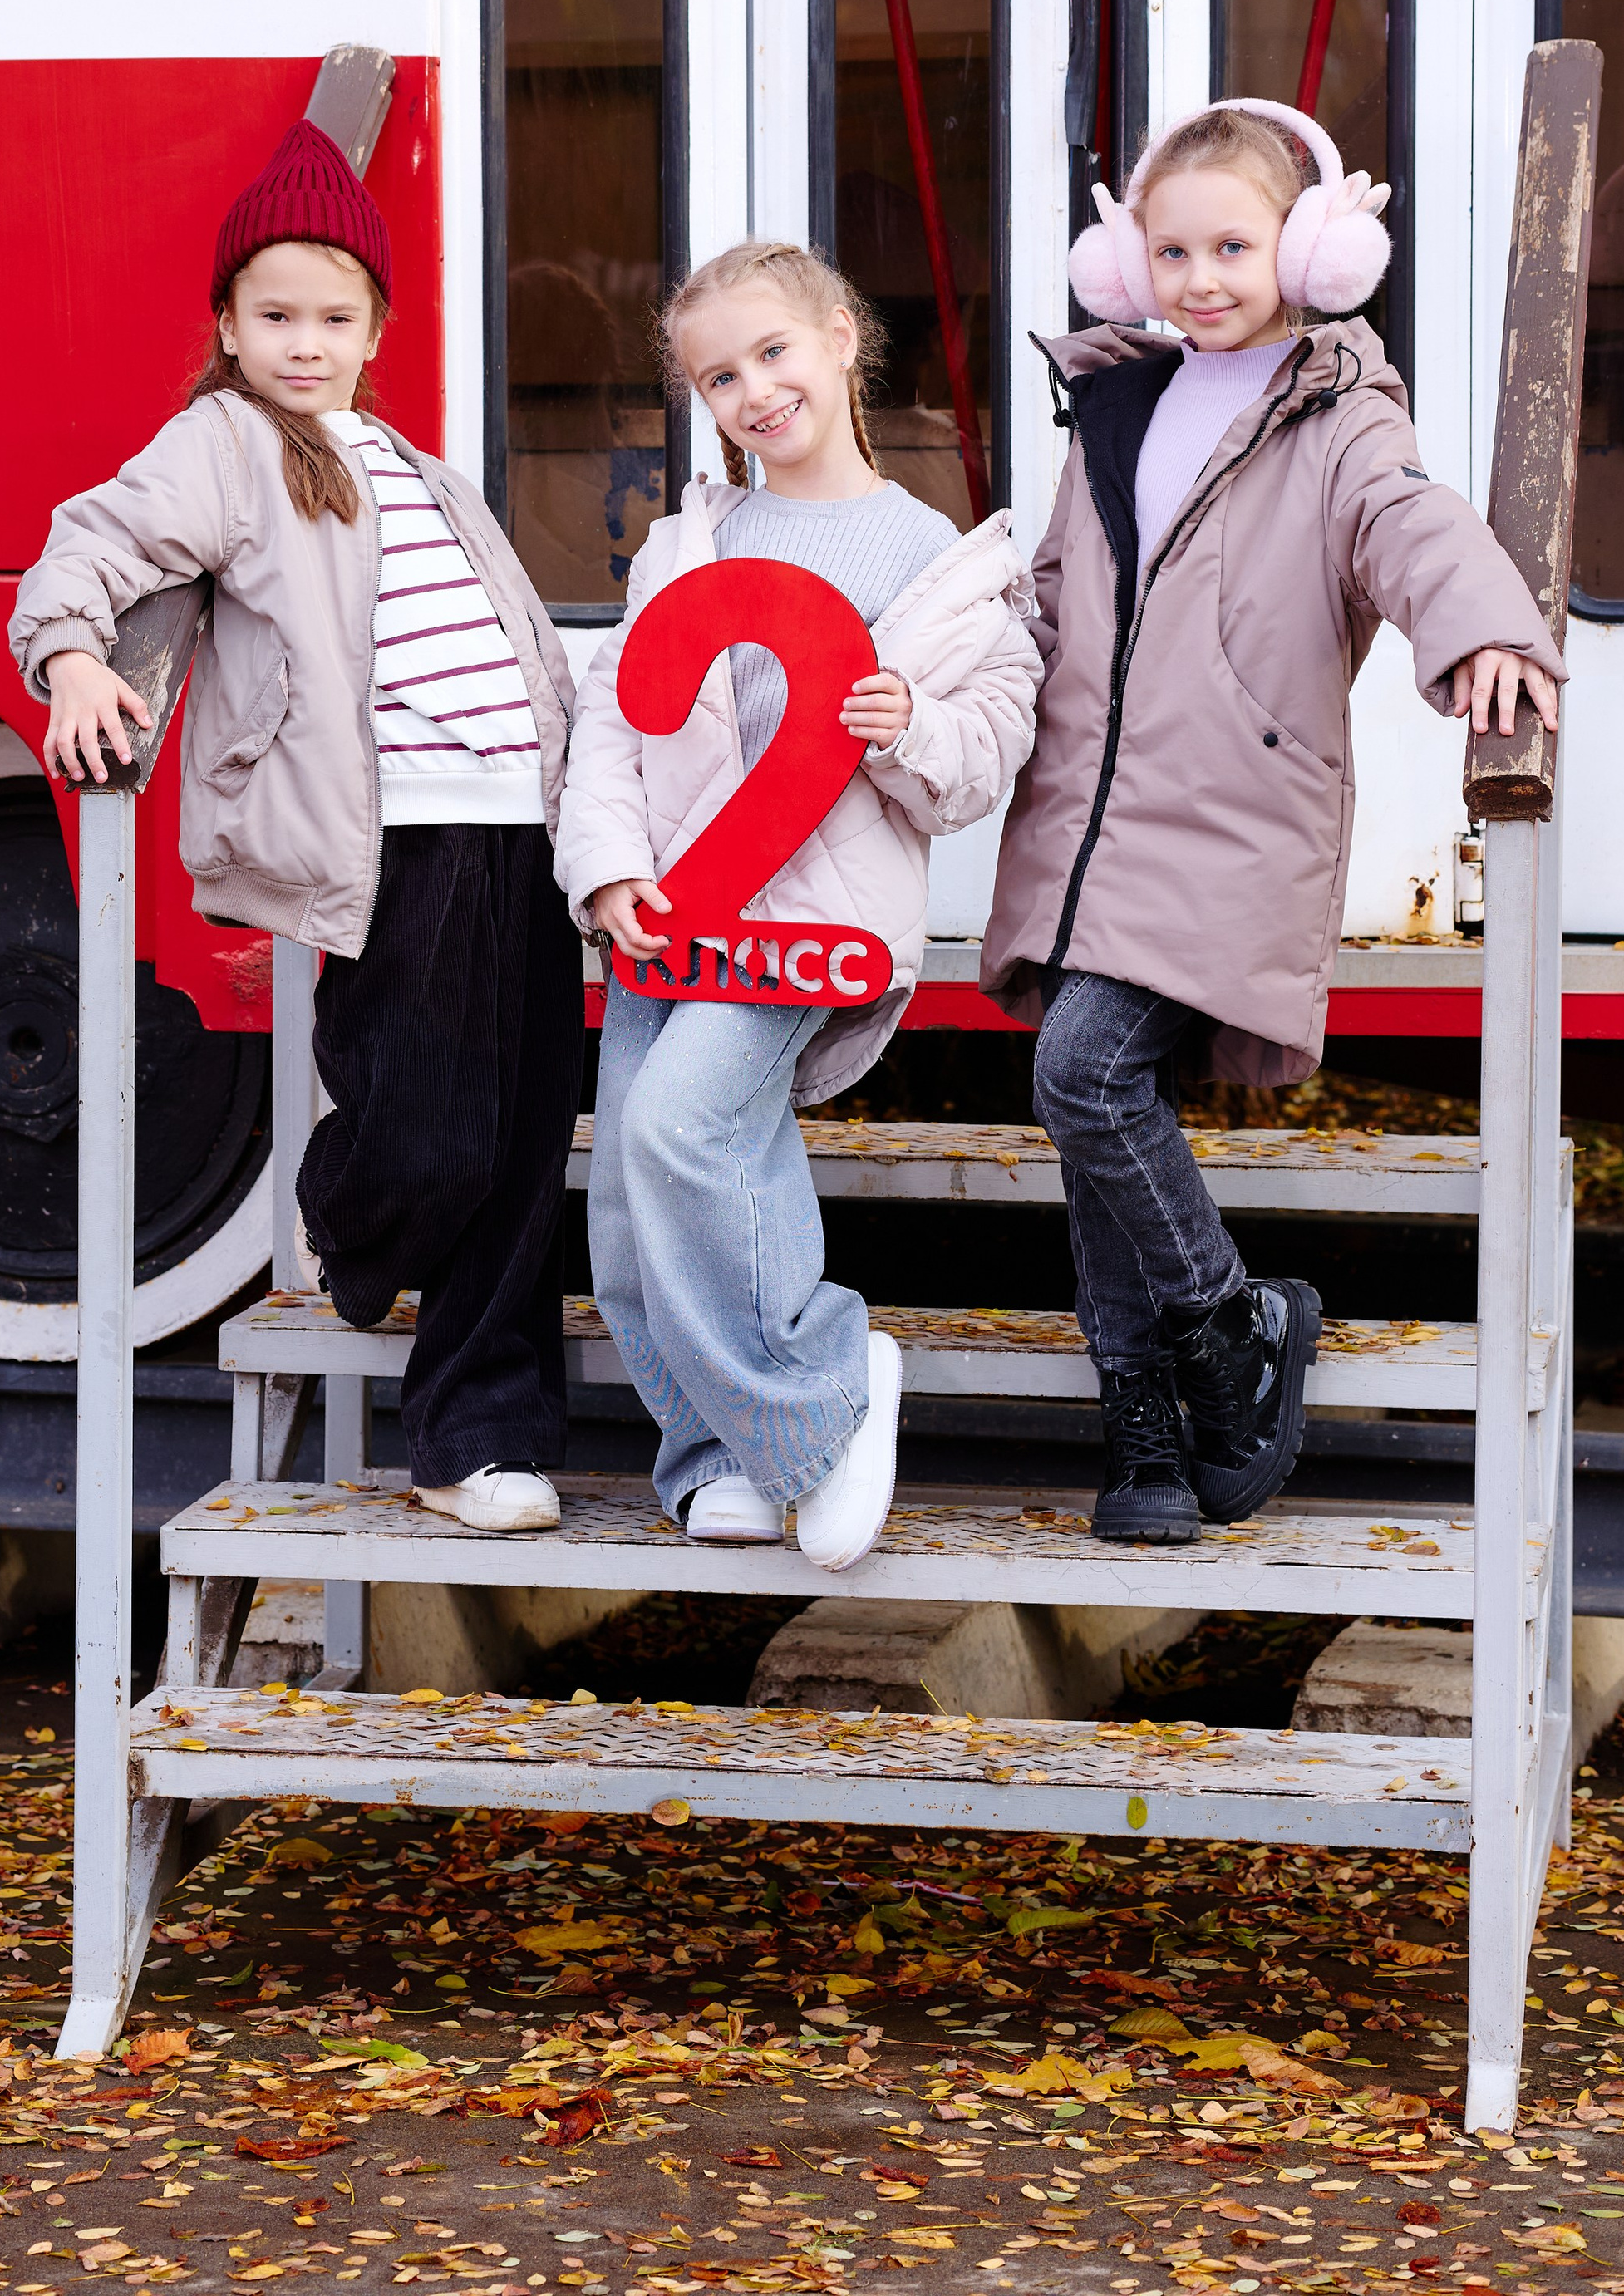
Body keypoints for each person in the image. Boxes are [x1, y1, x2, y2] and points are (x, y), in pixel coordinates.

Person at [982, 97, 1567, 1546]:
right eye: (1171, 252)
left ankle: (1230, 1317)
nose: (1200, 279)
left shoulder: (1339, 416)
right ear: (1129, 266)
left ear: (1309, 252)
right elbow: (1051, 598)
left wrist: (1488, 627)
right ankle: (1144, 1425)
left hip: (1231, 819)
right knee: (1097, 1110)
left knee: (1083, 1073)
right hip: (1086, 822)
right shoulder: (1115, 408)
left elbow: (1413, 525)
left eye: (1235, 247)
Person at [9, 119, 583, 1534]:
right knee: (434, 1136)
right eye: (275, 316)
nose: (305, 344)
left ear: (376, 329)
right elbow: (94, 542)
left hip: (522, 830)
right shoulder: (225, 443)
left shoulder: (412, 461)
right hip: (398, 841)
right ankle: (349, 1215)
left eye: (333, 318)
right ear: (227, 324)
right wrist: (72, 656)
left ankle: (477, 1442)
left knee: (525, 1143)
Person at [556, 240, 1043, 1571]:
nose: (755, 391)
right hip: (673, 916)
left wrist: (911, 721)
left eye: (774, 352)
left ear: (840, 337)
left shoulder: (938, 557)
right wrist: (607, 872)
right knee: (633, 1200)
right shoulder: (691, 544)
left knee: (677, 1129)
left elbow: (988, 748)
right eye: (721, 377)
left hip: (811, 921)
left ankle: (824, 1400)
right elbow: (614, 726)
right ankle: (715, 1458)